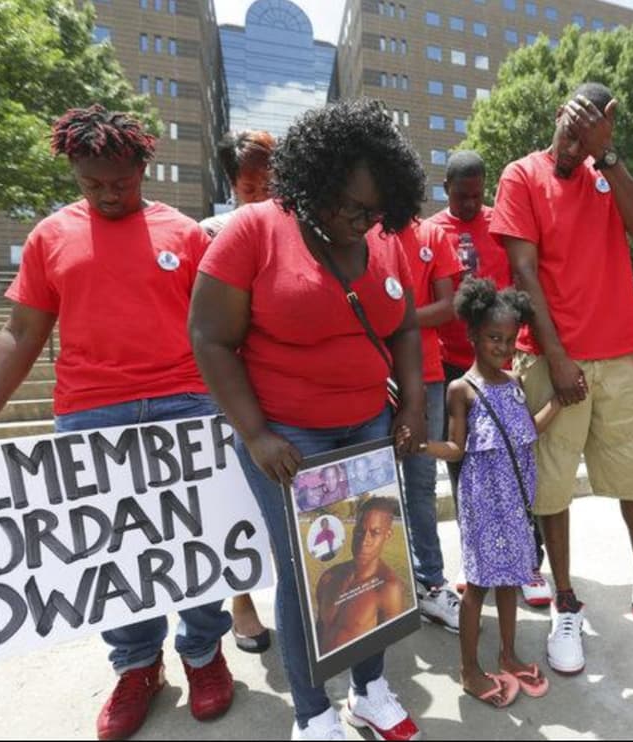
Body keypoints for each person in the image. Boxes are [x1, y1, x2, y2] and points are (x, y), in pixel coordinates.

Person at [0, 105, 234, 741]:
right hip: (92, 411)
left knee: (197, 542)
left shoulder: (188, 234)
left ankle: (203, 652)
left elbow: (223, 330)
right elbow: (20, 329)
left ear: (144, 165)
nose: (109, 194)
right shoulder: (49, 236)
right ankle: (137, 665)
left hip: (187, 406)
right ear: (74, 171)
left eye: (121, 181)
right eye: (93, 184)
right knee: (113, 552)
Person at [189, 98, 426, 741]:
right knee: (308, 573)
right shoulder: (255, 230)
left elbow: (404, 326)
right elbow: (209, 338)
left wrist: (412, 403)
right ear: (314, 181)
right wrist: (256, 433)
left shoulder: (383, 239)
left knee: (376, 563)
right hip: (289, 438)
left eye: (374, 210)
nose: (360, 220)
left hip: (368, 429)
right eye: (348, 205)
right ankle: (311, 712)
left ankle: (370, 687)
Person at [492, 82, 633, 675]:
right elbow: (523, 271)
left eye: (588, 133)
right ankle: (566, 600)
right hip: (553, 358)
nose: (574, 144)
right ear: (556, 118)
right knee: (552, 482)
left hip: (620, 355)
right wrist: (558, 356)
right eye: (569, 130)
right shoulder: (522, 176)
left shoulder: (606, 174)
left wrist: (611, 156)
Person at [420, 278, 559, 707]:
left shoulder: (514, 383)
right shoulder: (462, 389)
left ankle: (509, 653)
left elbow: (525, 432)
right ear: (473, 336)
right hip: (482, 503)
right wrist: (421, 446)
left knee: (512, 578)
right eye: (493, 338)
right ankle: (467, 669)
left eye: (509, 338)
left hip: (517, 502)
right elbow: (457, 447)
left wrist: (559, 401)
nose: (503, 346)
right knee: (478, 586)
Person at [426, 151, 552, 609]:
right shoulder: (433, 229)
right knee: (466, 472)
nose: (470, 204)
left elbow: (524, 278)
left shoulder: (500, 221)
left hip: (503, 359)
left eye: (478, 195)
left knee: (519, 460)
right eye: (462, 196)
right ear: (445, 189)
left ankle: (528, 559)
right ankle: (477, 556)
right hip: (454, 367)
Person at [200, 129, 278, 654]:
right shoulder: (209, 230)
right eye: (252, 189)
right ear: (232, 185)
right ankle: (242, 601)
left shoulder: (299, 224)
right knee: (236, 503)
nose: (264, 196)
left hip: (285, 383)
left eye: (271, 184)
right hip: (231, 387)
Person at [396, 215, 464, 632]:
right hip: (371, 377)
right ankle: (378, 586)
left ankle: (431, 583)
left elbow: (448, 306)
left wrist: (395, 319)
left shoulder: (431, 234)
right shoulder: (364, 231)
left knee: (420, 482)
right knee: (372, 486)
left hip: (427, 375)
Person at [314, 498, 408, 655]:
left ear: (388, 534)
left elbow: (389, 648)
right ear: (353, 530)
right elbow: (320, 628)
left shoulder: (389, 589)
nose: (364, 541)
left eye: (375, 533)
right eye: (360, 531)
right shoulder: (328, 577)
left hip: (358, 673)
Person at [201, 129, 277, 238]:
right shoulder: (212, 232)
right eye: (249, 190)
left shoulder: (297, 231)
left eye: (268, 188)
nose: (261, 197)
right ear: (233, 185)